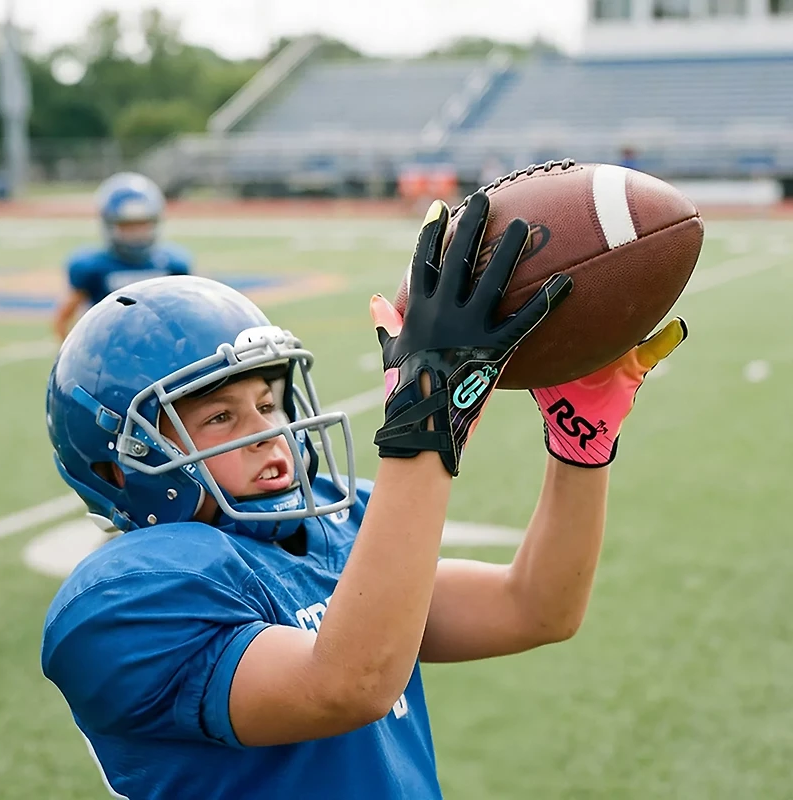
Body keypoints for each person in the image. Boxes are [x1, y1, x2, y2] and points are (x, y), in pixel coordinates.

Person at [41, 191, 687, 799]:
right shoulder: (121, 604)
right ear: (125, 469)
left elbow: (536, 608)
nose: (269, 432)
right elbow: (348, 684)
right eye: (219, 418)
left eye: (268, 403)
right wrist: (425, 423)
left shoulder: (331, 520)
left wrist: (580, 443)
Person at [52, 171, 192, 341]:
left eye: (142, 224)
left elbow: (188, 316)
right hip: (109, 346)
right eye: (126, 226)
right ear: (109, 224)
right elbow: (63, 319)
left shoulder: (173, 264)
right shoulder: (91, 267)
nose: (136, 233)